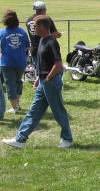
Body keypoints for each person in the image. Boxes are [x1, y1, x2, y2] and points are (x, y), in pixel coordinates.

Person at [2, 15, 72, 149]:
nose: (33, 29)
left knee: (58, 111)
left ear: (42, 27)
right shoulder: (41, 41)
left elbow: (58, 64)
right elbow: (44, 63)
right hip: (43, 81)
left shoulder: (51, 42)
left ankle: (67, 139)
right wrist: (38, 78)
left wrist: (47, 78)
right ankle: (20, 140)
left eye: (35, 26)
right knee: (34, 111)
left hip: (50, 82)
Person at [0, 10, 30, 117]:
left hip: (6, 63)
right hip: (21, 61)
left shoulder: (2, 32)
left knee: (10, 84)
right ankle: (17, 104)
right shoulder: (22, 31)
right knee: (18, 82)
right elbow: (27, 46)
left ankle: (14, 107)